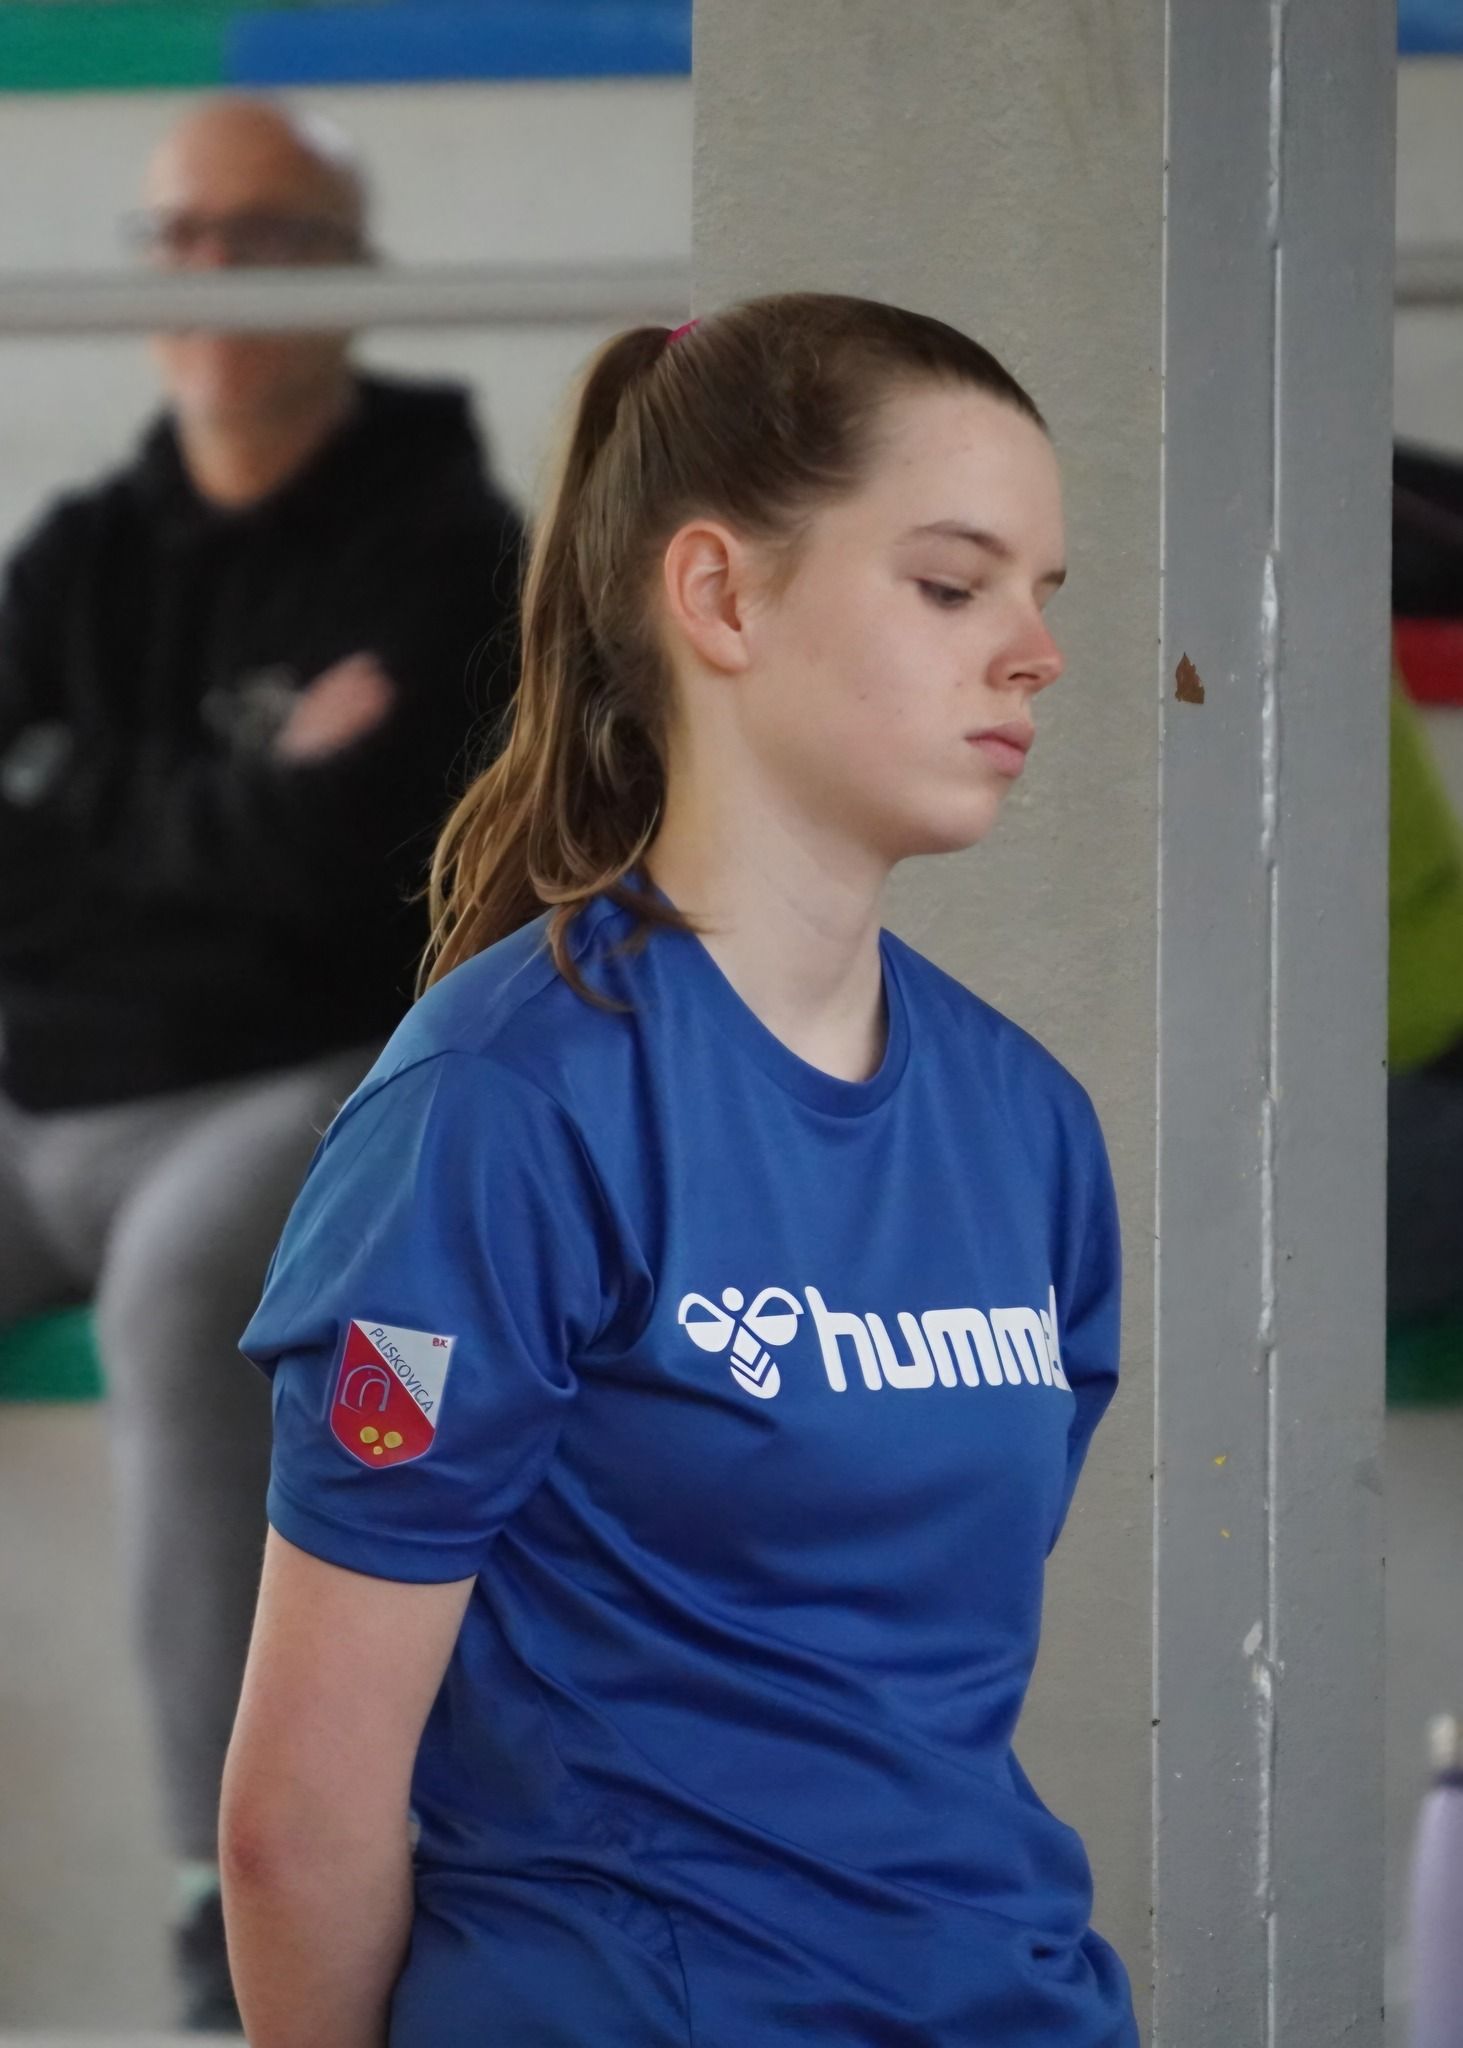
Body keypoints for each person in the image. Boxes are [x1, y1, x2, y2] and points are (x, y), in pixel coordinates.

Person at [222, 293, 1137, 2046]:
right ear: (718, 595)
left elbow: (897, 1702)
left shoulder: (1031, 1128)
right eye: (953, 586)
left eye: (1044, 592)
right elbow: (297, 1827)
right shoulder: (500, 1110)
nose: (1036, 652)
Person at [0, 98, 521, 2029]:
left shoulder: (449, 549)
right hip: (44, 1089)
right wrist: (235, 794)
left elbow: (346, 876)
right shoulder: (80, 553)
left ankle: (224, 1925)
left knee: (185, 1296)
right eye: (183, 236)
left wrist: (90, 801)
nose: (214, 274)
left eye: (268, 235)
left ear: (348, 276)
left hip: (303, 1078)